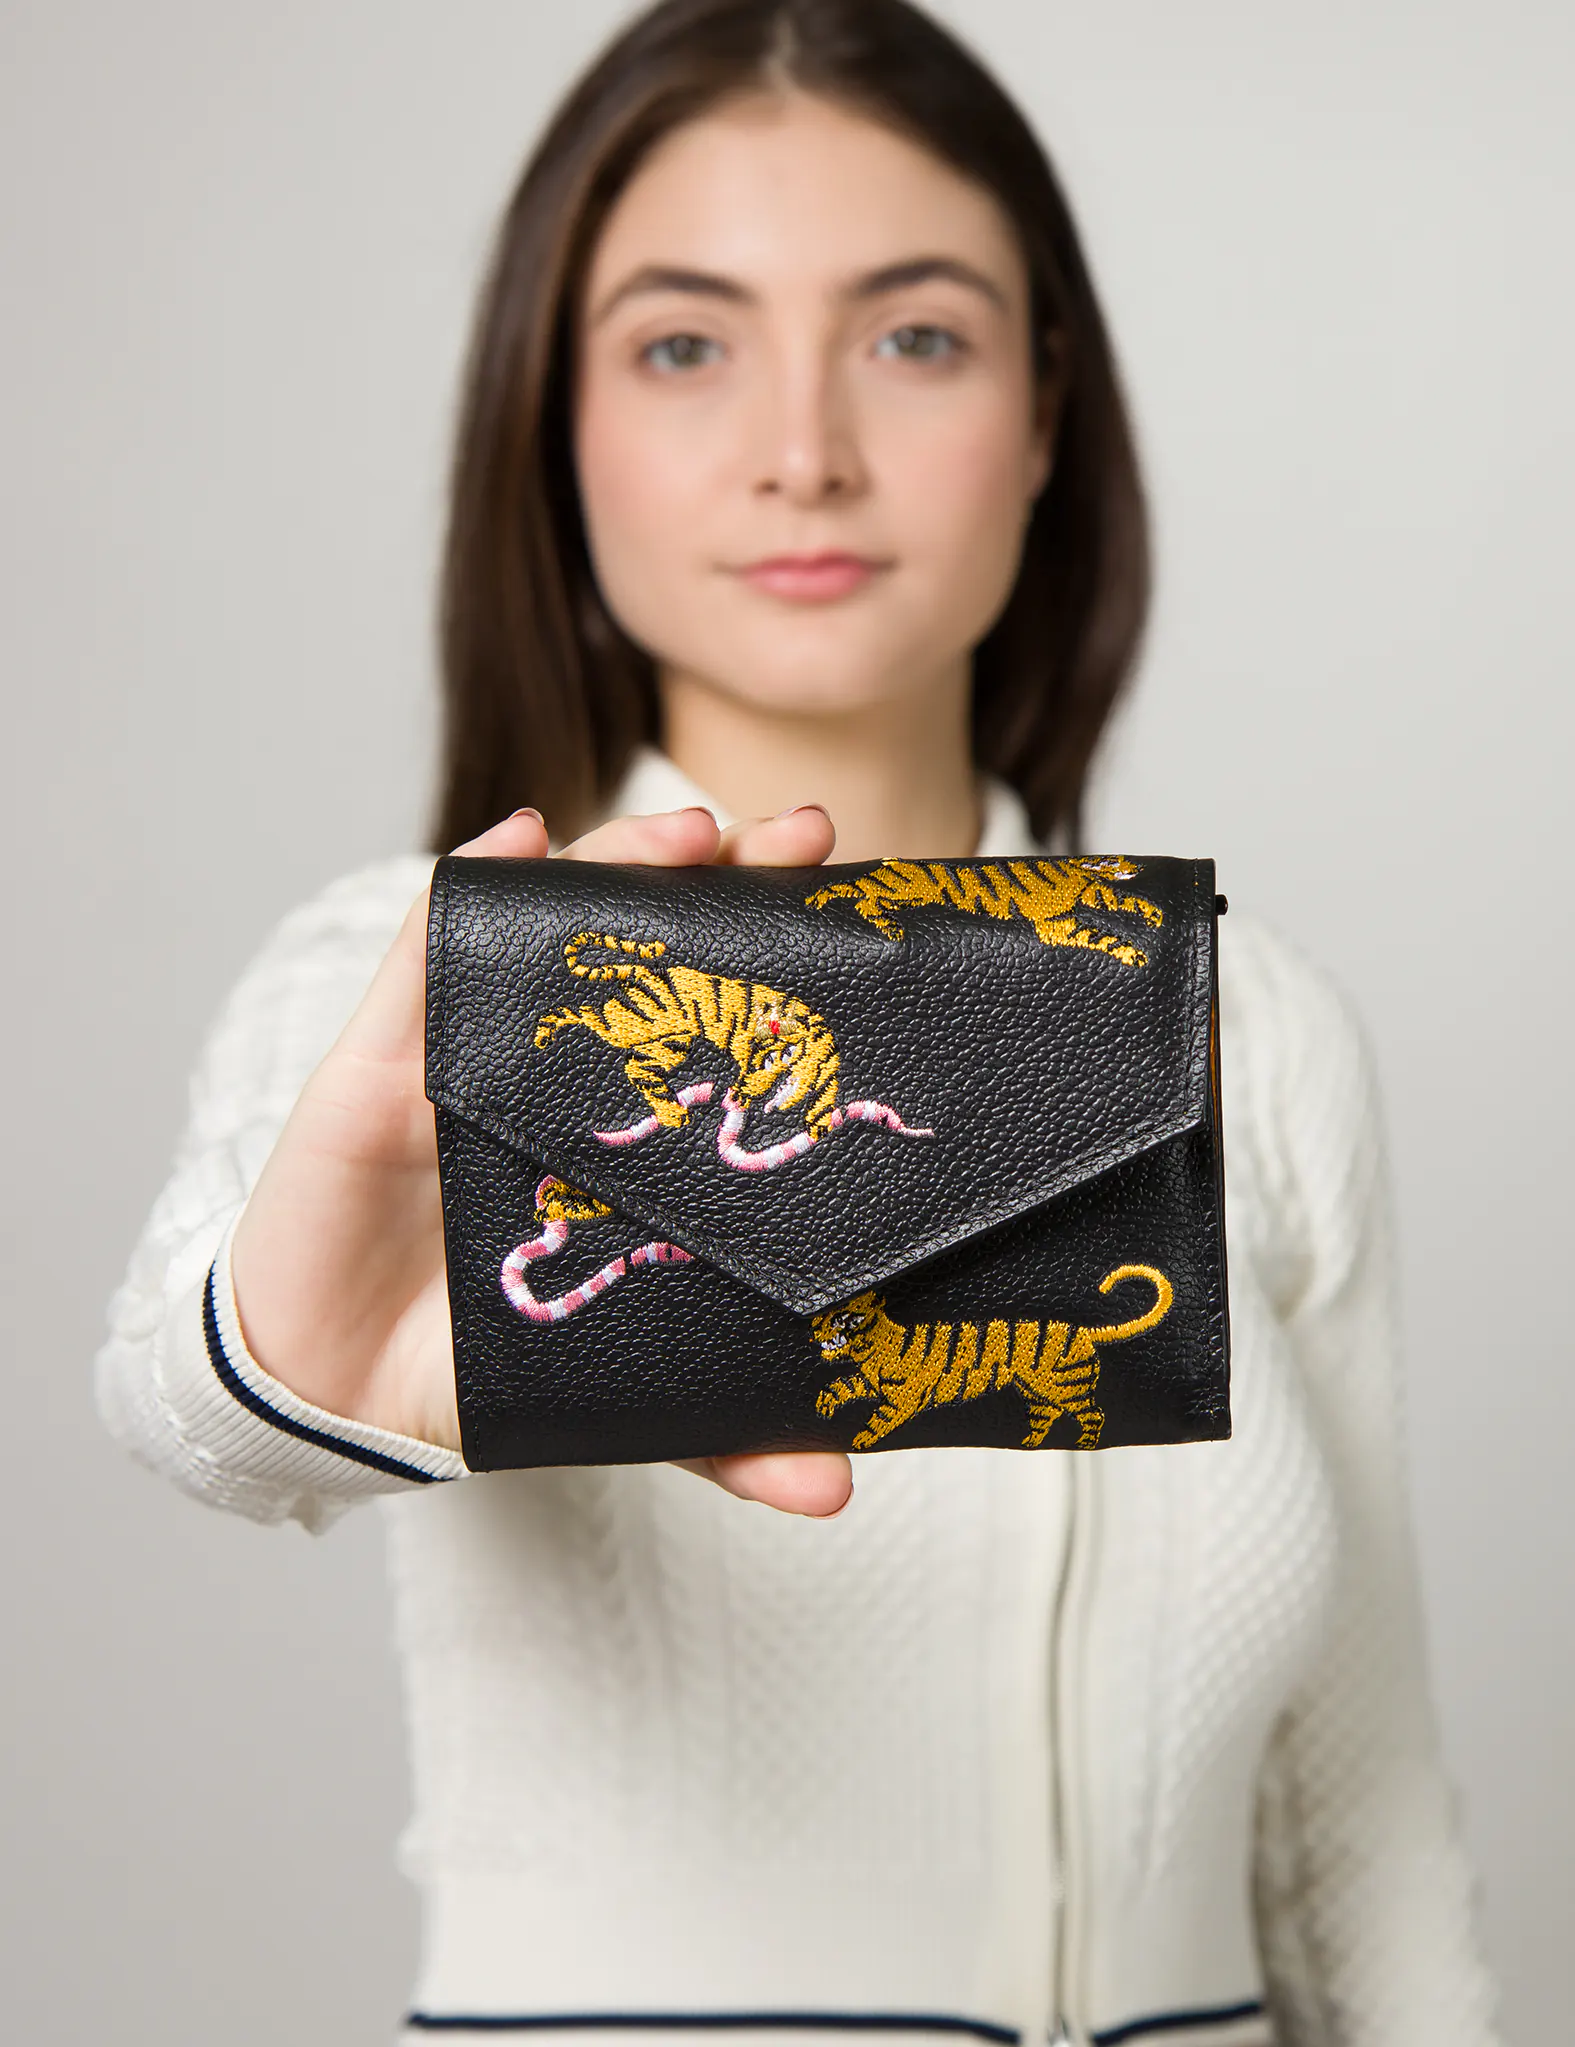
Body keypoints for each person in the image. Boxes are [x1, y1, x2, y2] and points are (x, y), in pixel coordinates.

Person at [94, 2, 1504, 2042]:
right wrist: (289, 1348)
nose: (801, 447)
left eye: (912, 334)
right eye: (683, 342)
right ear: (549, 428)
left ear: (1043, 413)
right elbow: (177, 1380)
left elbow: (1361, 1823)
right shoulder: (406, 984)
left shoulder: (1250, 1027)